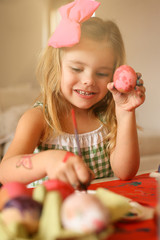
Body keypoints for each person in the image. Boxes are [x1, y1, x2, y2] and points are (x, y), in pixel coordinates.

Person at [0, 0, 145, 189]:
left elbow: (125, 173)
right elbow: (5, 173)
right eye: (77, 68)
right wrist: (47, 161)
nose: (89, 80)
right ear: (56, 67)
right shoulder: (39, 119)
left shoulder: (107, 118)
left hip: (98, 213)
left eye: (101, 73)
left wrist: (125, 113)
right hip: (50, 213)